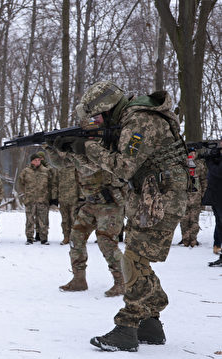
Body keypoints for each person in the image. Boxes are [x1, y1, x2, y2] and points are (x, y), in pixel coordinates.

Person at [58, 81, 188, 351]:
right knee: (137, 259)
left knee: (133, 261)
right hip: (154, 196)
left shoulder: (140, 119)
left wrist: (88, 148)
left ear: (108, 108)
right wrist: (77, 148)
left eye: (99, 116)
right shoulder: (136, 117)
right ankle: (150, 322)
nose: (98, 121)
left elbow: (124, 166)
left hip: (161, 198)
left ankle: (127, 328)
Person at [47, 146, 126, 297]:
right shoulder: (78, 153)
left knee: (106, 242)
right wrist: (49, 147)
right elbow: (59, 163)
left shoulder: (102, 150)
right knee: (75, 238)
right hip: (90, 204)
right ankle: (79, 279)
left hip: (109, 205)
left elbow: (89, 168)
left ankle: (122, 282)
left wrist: (73, 150)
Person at [17, 153, 55, 245]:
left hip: (43, 199)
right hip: (30, 199)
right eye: (35, 160)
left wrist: (50, 197)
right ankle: (29, 238)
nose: (37, 162)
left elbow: (51, 185)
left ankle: (44, 238)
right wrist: (26, 193)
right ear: (32, 161)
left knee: (43, 220)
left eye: (39, 160)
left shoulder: (46, 171)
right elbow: (20, 183)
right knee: (29, 219)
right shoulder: (26, 171)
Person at [178, 147, 208, 247]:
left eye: (194, 153)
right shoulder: (182, 165)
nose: (192, 155)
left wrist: (203, 194)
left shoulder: (199, 165)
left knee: (194, 220)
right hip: (184, 197)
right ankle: (185, 239)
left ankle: (193, 239)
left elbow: (204, 180)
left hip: (196, 197)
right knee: (184, 220)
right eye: (190, 153)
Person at [201, 142, 221, 264]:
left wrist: (209, 161)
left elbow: (218, 172)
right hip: (215, 195)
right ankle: (217, 245)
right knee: (219, 222)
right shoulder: (218, 154)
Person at [54, 163, 79, 245]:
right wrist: (55, 198)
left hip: (74, 198)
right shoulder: (59, 169)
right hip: (62, 198)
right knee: (65, 220)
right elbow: (55, 184)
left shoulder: (75, 168)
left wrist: (81, 196)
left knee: (74, 219)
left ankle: (74, 238)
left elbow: (80, 182)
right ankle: (66, 237)